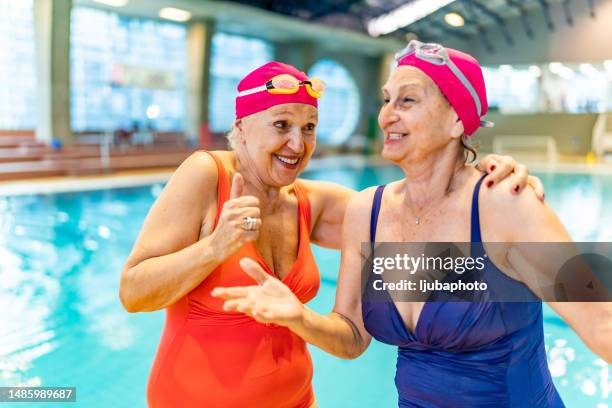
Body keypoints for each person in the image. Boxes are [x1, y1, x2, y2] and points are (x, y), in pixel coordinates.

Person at [120, 61, 543, 408]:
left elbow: (420, 219)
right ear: (242, 128)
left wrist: (486, 179)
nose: (296, 143)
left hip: (297, 400)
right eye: (282, 124)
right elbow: (133, 292)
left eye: (309, 128)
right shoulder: (204, 176)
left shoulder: (309, 202)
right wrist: (214, 248)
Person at [212, 42, 612, 407]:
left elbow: (602, 327)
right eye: (387, 100)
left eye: (407, 100)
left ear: (457, 119)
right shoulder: (369, 211)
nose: (387, 115)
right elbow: (352, 334)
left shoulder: (502, 203)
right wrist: (299, 317)